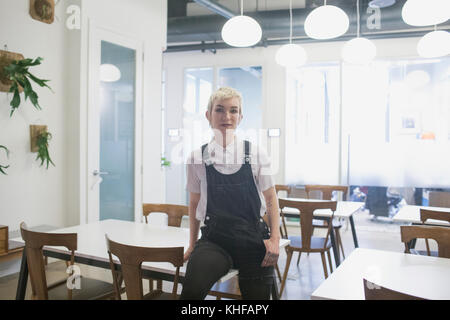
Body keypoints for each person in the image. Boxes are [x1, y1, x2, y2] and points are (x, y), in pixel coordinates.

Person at [180, 87, 281, 300]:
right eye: (220, 110)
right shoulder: (197, 157)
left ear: (240, 117)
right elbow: (194, 202)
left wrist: (274, 238)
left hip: (253, 237)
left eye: (233, 111)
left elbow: (271, 199)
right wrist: (192, 244)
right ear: (208, 115)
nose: (227, 117)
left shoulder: (255, 153)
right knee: (190, 293)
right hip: (215, 239)